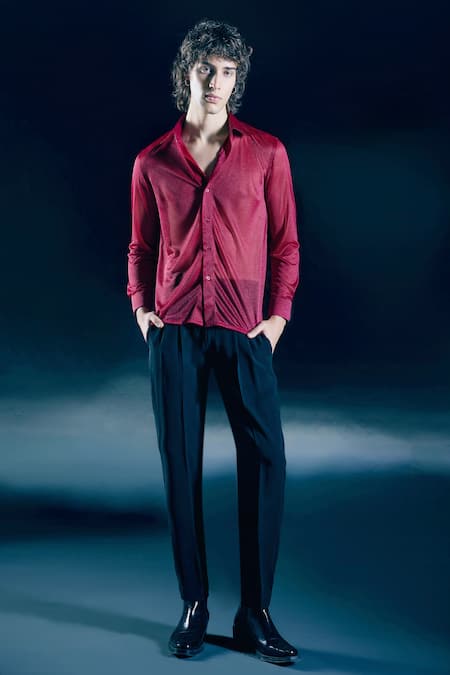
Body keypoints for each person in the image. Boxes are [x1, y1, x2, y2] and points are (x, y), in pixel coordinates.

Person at [126, 18, 300, 664]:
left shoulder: (267, 154)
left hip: (244, 330)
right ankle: (193, 603)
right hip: (174, 333)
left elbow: (285, 243)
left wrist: (276, 320)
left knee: (266, 459)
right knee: (181, 465)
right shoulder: (152, 161)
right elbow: (141, 246)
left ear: (237, 80)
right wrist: (143, 309)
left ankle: (255, 612)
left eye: (227, 72)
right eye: (206, 69)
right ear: (187, 74)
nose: (216, 82)